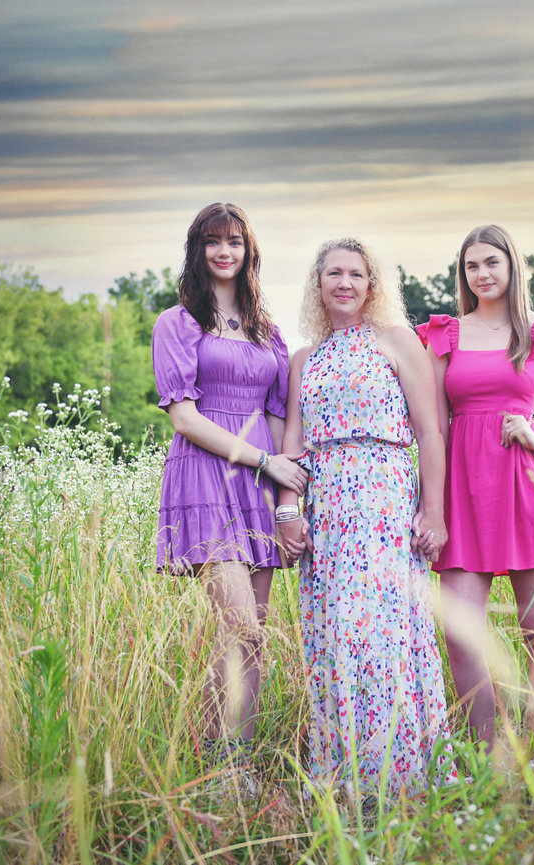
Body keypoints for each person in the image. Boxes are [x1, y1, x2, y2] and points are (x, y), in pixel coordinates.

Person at [416, 224, 534, 750]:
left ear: (511, 266)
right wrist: (429, 505)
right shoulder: (445, 336)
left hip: (526, 489)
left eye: (491, 263)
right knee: (460, 636)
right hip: (461, 492)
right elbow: (431, 427)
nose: (481, 274)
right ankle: (484, 759)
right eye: (471, 266)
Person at [276, 238, 456, 795]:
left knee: (386, 633)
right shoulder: (303, 358)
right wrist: (287, 512)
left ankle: (403, 774)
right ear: (318, 283)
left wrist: (434, 511)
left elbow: (430, 431)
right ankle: (344, 774)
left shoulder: (398, 342)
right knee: (335, 636)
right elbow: (292, 440)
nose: (344, 283)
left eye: (356, 273)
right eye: (333, 273)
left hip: (384, 502)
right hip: (327, 510)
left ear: (372, 283)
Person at [151, 202, 307, 777]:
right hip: (203, 472)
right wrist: (265, 459)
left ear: (249, 251)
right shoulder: (178, 322)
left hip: (257, 487)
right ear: (198, 249)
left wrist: (290, 486)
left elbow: (275, 417)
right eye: (213, 241)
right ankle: (217, 764)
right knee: (238, 621)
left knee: (254, 636)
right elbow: (185, 419)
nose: (224, 251)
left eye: (235, 241)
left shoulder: (268, 332)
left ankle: (233, 766)